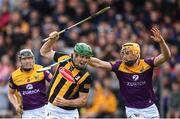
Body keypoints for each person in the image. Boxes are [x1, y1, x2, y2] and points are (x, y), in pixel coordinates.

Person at [89, 26, 171, 118]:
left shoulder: (147, 64)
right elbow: (99, 64)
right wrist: (84, 57)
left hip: (150, 108)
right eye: (123, 53)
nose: (124, 56)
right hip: (132, 109)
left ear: (136, 54)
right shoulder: (119, 66)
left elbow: (165, 56)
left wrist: (162, 42)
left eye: (127, 53)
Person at [40, 31, 93, 118]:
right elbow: (44, 52)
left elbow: (83, 100)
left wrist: (66, 102)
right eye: (82, 56)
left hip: (69, 113)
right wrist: (52, 40)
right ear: (75, 54)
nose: (84, 60)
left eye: (87, 57)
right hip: (51, 108)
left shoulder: (85, 76)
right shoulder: (64, 58)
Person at [8, 49, 52, 119]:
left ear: (33, 59)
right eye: (24, 59)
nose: (27, 61)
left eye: (29, 58)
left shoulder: (41, 69)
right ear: (20, 61)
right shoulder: (14, 76)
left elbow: (54, 83)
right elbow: (10, 94)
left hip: (44, 108)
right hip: (27, 112)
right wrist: (16, 105)